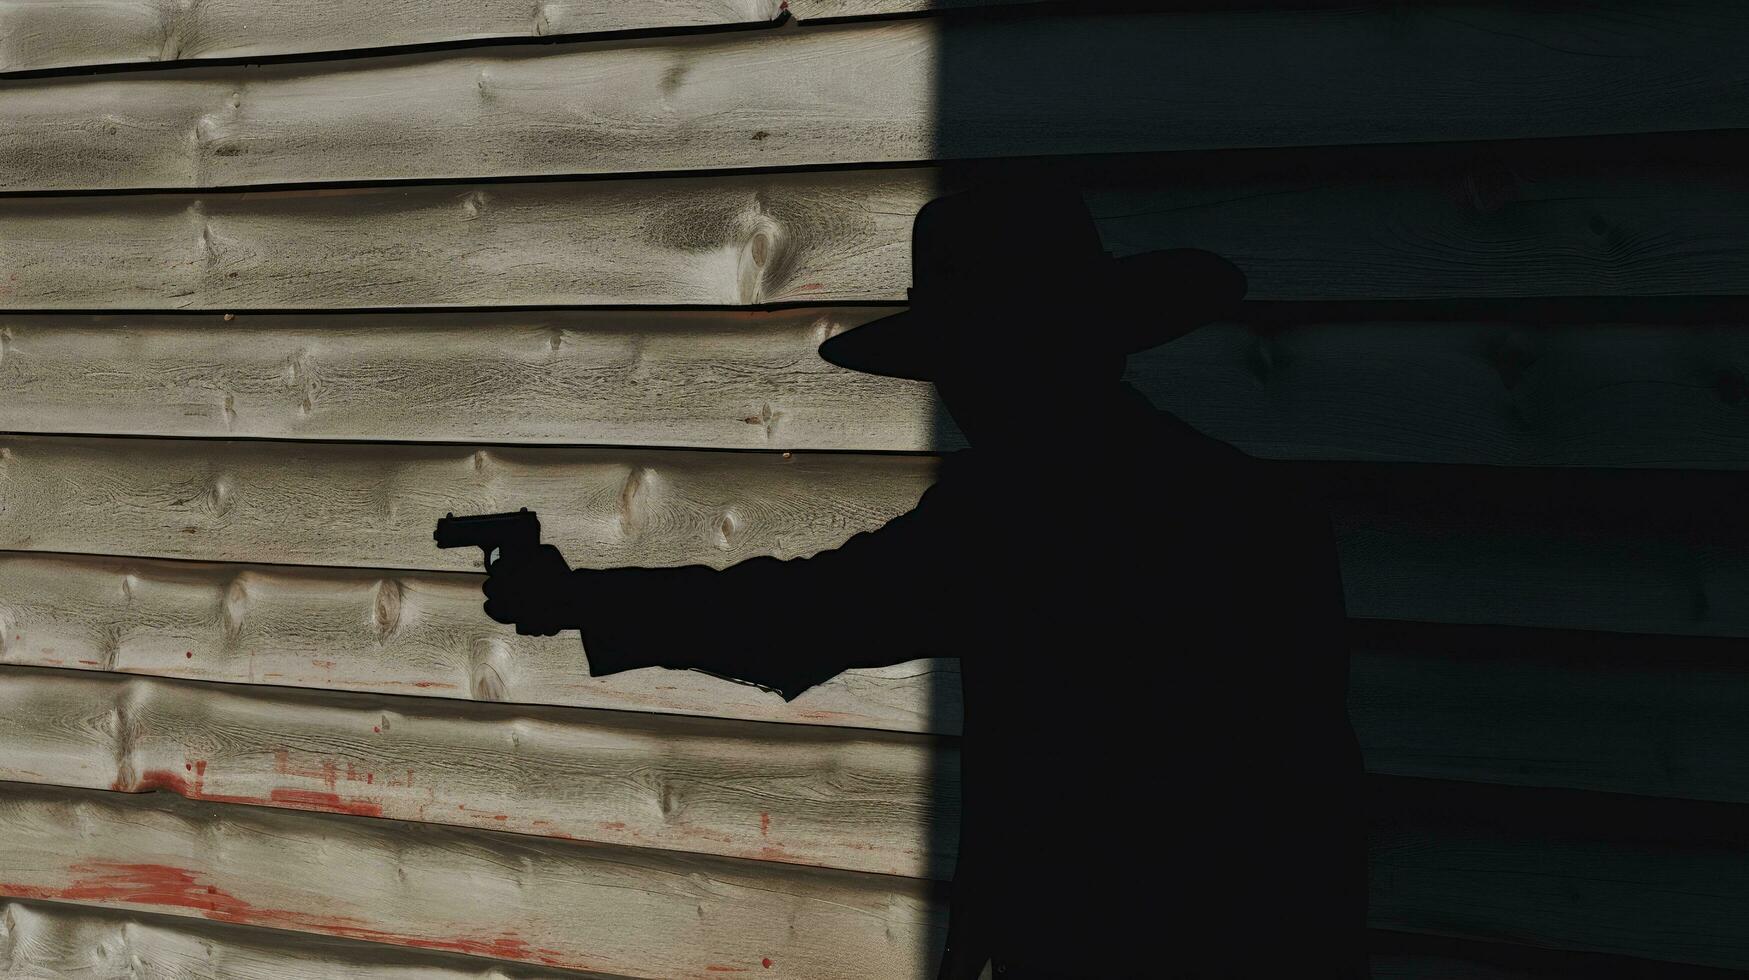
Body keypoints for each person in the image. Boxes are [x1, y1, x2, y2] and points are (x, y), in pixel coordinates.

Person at [480, 184, 1367, 979]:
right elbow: (1321, 793)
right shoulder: (1260, 507)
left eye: (968, 362)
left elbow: (803, 615)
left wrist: (579, 600)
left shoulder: (1015, 515)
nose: (960, 393)